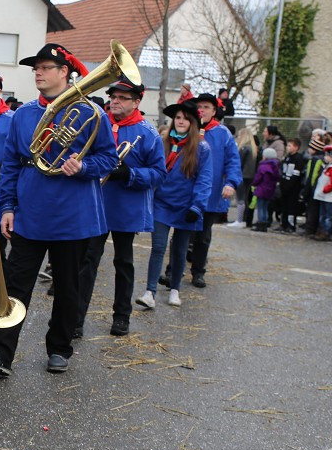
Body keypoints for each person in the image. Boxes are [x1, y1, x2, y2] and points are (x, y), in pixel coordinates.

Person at [0, 43, 118, 377]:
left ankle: (59, 348)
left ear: (63, 73)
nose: (38, 73)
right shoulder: (23, 115)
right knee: (15, 286)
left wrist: (83, 166)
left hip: (74, 217)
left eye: (44, 67)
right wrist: (8, 207)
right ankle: (1, 352)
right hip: (30, 212)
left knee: (68, 287)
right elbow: (11, 163)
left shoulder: (91, 113)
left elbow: (109, 159)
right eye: (35, 68)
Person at [74, 77, 165, 337]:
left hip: (126, 208)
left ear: (137, 102)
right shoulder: (97, 125)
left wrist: (130, 174)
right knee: (87, 262)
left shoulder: (147, 133)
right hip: (95, 204)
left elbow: (159, 173)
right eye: (113, 96)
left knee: (123, 263)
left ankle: (121, 317)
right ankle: (76, 319)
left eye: (122, 98)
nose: (114, 101)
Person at [137, 102, 212, 309]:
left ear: (193, 123)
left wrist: (197, 206)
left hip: (186, 207)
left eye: (186, 118)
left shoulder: (202, 148)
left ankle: (175, 289)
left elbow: (204, 180)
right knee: (158, 247)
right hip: (162, 204)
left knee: (179, 251)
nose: (180, 121)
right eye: (178, 118)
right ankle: (150, 292)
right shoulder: (162, 143)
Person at [178, 93, 239, 289]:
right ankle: (173, 270)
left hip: (211, 194)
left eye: (206, 107)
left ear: (214, 111)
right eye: (199, 106)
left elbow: (232, 161)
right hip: (186, 192)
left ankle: (198, 272)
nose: (202, 110)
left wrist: (231, 183)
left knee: (203, 236)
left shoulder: (222, 134)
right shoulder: (187, 129)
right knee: (181, 232)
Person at [276, 138, 307, 233]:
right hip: (284, 185)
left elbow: (296, 174)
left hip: (293, 187)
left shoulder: (298, 159)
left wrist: (290, 184)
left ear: (296, 147)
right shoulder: (287, 157)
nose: (287, 147)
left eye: (290, 146)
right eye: (287, 145)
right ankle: (283, 224)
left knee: (291, 207)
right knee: (283, 206)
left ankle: (291, 225)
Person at [313, 145, 332, 240]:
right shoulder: (327, 167)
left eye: (327, 155)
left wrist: (326, 189)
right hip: (323, 196)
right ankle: (321, 230)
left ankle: (326, 232)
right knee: (322, 214)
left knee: (329, 216)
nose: (325, 157)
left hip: (329, 197)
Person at [230, 125, 258, 229]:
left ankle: (239, 220)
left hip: (242, 175)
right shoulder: (253, 148)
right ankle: (244, 220)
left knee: (240, 198)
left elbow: (238, 163)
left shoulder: (243, 148)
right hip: (249, 176)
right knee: (245, 198)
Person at [300, 130, 327, 237]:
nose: (308, 150)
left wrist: (306, 190)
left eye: (310, 148)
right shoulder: (321, 159)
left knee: (312, 210)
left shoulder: (315, 160)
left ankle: (310, 229)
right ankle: (312, 228)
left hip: (313, 190)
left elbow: (311, 177)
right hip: (317, 189)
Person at [250, 147, 281, 232]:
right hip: (270, 190)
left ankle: (260, 223)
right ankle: (265, 223)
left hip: (261, 189)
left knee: (260, 207)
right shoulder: (275, 167)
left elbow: (258, 178)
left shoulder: (262, 166)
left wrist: (254, 184)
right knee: (265, 207)